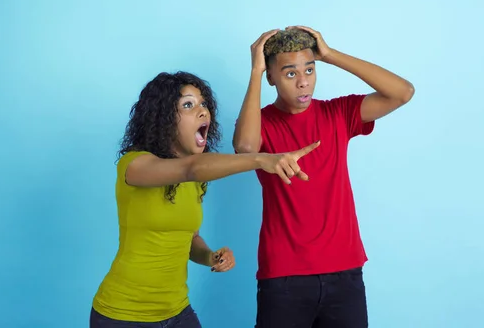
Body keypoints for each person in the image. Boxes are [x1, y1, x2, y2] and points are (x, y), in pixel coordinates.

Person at [90, 71, 320, 328]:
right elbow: (191, 168)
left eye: (203, 104)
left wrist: (211, 256)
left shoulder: (196, 180)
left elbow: (189, 239)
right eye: (188, 105)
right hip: (123, 315)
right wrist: (261, 158)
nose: (203, 111)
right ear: (162, 118)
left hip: (177, 311)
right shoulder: (134, 165)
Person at [233, 26, 415, 328]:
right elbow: (245, 148)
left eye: (310, 69)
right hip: (284, 277)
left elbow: (402, 92)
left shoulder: (338, 113)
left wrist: (330, 54)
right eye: (290, 73)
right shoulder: (260, 121)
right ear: (272, 77)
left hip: (345, 273)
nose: (303, 82)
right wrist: (255, 71)